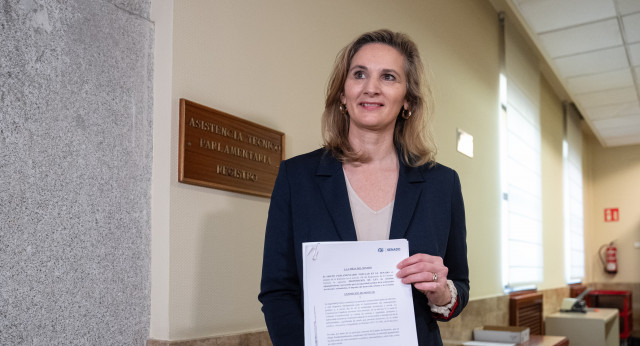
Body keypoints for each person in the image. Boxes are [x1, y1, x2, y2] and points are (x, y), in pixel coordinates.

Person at [258, 29, 469, 345]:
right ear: (343, 93)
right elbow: (278, 290)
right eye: (359, 74)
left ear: (408, 100)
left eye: (388, 77)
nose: (371, 88)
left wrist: (440, 288)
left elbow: (459, 285)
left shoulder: (442, 183)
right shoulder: (296, 177)